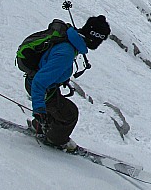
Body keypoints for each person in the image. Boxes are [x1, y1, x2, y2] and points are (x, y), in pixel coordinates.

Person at [26, 15, 111, 150]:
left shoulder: (70, 40)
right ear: (95, 38)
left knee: (59, 107)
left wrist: (62, 78)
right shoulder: (66, 52)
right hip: (40, 88)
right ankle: (55, 140)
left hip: (46, 85)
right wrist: (39, 109)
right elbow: (39, 82)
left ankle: (40, 127)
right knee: (69, 114)